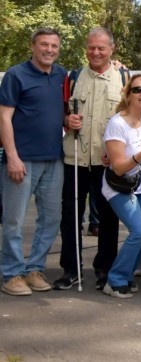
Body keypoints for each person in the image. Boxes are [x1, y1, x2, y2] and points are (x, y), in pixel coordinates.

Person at [55, 27, 127, 291]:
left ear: (112, 48)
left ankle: (104, 267)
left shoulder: (124, 78)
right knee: (71, 216)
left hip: (106, 160)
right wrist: (66, 120)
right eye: (91, 47)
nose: (95, 52)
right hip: (75, 159)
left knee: (108, 218)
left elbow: (131, 117)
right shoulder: (72, 77)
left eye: (101, 48)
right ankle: (71, 269)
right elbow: (60, 112)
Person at [0, 28, 68, 296]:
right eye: (44, 45)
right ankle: (12, 273)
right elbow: (4, 118)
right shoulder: (16, 75)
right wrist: (12, 156)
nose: (49, 50)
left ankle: (34, 269)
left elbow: (60, 112)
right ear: (33, 46)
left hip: (54, 159)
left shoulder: (62, 75)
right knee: (14, 220)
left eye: (53, 45)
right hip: (22, 160)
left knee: (51, 218)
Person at [101, 74, 141, 298]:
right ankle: (114, 280)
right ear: (128, 95)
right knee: (139, 232)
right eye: (137, 90)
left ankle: (126, 276)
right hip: (120, 187)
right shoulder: (117, 123)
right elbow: (117, 168)